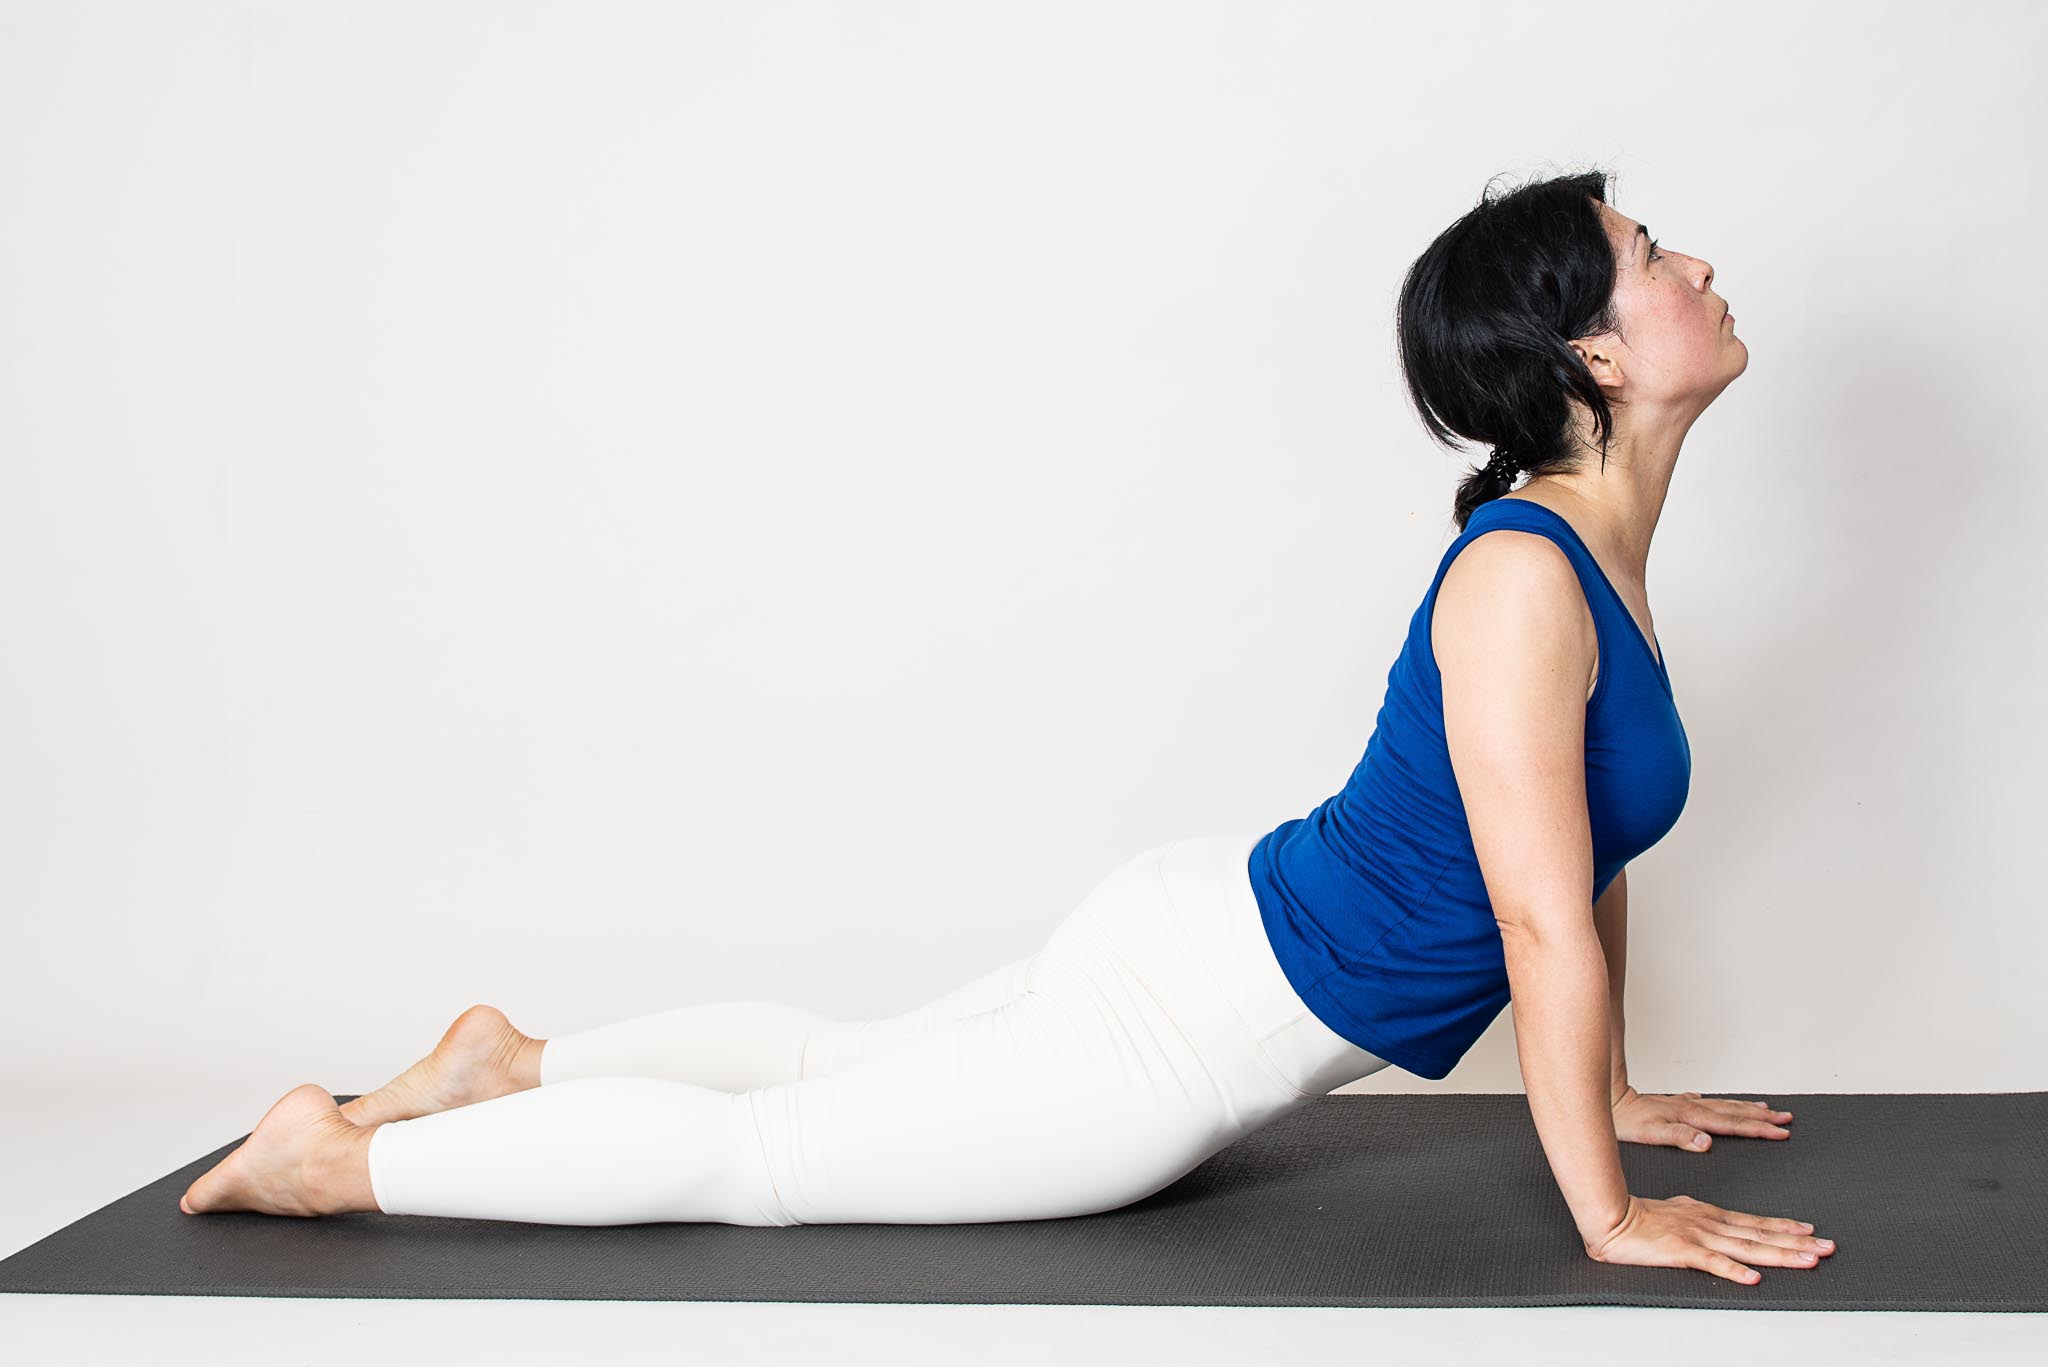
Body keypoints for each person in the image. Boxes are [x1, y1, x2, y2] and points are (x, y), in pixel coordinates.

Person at [178, 167, 1837, 1286]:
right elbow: (1539, 918)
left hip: (1204, 942)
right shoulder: (1524, 578)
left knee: (838, 1062)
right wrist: (1606, 1213)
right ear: (1591, 353)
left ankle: (509, 1067)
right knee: (765, 1163)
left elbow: (1577, 843)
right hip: (1180, 1035)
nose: (1693, 263)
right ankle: (336, 1168)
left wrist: (1610, 1089)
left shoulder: (1590, 554)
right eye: (1647, 255)